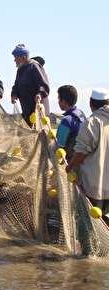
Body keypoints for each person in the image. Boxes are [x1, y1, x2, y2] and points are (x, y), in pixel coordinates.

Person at [67, 89, 109, 221]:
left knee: (87, 225)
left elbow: (81, 153)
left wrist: (70, 166)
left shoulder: (93, 122)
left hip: (94, 188)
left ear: (91, 103)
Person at [10, 44, 50, 127]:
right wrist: (14, 94)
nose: (14, 60)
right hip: (26, 110)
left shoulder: (34, 66)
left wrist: (39, 93)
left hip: (37, 110)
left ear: (23, 57)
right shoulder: (20, 69)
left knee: (39, 133)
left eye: (16, 57)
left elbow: (43, 84)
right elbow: (16, 85)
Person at [56, 85, 86, 160]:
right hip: (84, 160)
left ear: (64, 101)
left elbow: (59, 146)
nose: (58, 102)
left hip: (70, 163)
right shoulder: (81, 114)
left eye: (59, 99)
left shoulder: (66, 121)